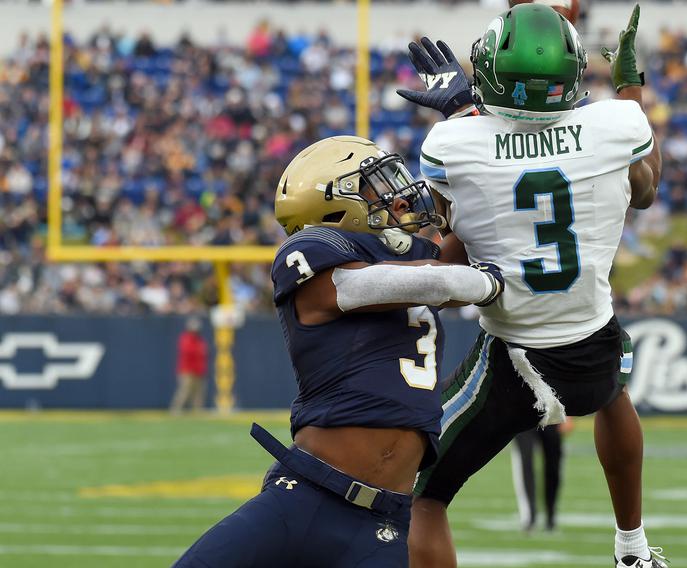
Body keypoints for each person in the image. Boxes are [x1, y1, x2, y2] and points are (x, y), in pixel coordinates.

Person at [398, 5, 668, 568]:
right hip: (593, 337)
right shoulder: (617, 123)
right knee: (615, 390)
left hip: (512, 354)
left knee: (418, 494)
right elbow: (644, 193)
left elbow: (452, 240)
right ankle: (633, 550)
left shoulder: (453, 143)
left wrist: (461, 107)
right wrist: (629, 89)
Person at [173, 136, 504, 568]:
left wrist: (471, 126)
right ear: (333, 203)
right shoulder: (311, 252)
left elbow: (466, 236)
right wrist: (482, 281)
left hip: (383, 522)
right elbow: (405, 283)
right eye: (374, 186)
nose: (396, 196)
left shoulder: (412, 258)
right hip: (303, 500)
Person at [510, 418, 573, 532]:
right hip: (523, 410)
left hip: (550, 411)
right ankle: (529, 517)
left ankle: (551, 515)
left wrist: (568, 415)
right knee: (525, 461)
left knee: (553, 465)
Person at [169, 317, 209, 414]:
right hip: (187, 370)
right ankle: (176, 410)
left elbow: (204, 353)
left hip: (199, 370)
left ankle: (198, 411)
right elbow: (188, 351)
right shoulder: (186, 338)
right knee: (184, 391)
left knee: (199, 393)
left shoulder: (200, 340)